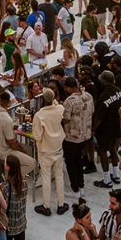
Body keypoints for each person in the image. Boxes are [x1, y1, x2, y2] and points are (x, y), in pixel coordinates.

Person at [31, 88, 68, 216]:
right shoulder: (59, 109)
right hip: (58, 148)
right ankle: (61, 204)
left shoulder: (39, 115)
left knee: (46, 178)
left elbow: (37, 136)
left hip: (45, 150)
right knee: (59, 176)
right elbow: (57, 104)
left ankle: (46, 206)